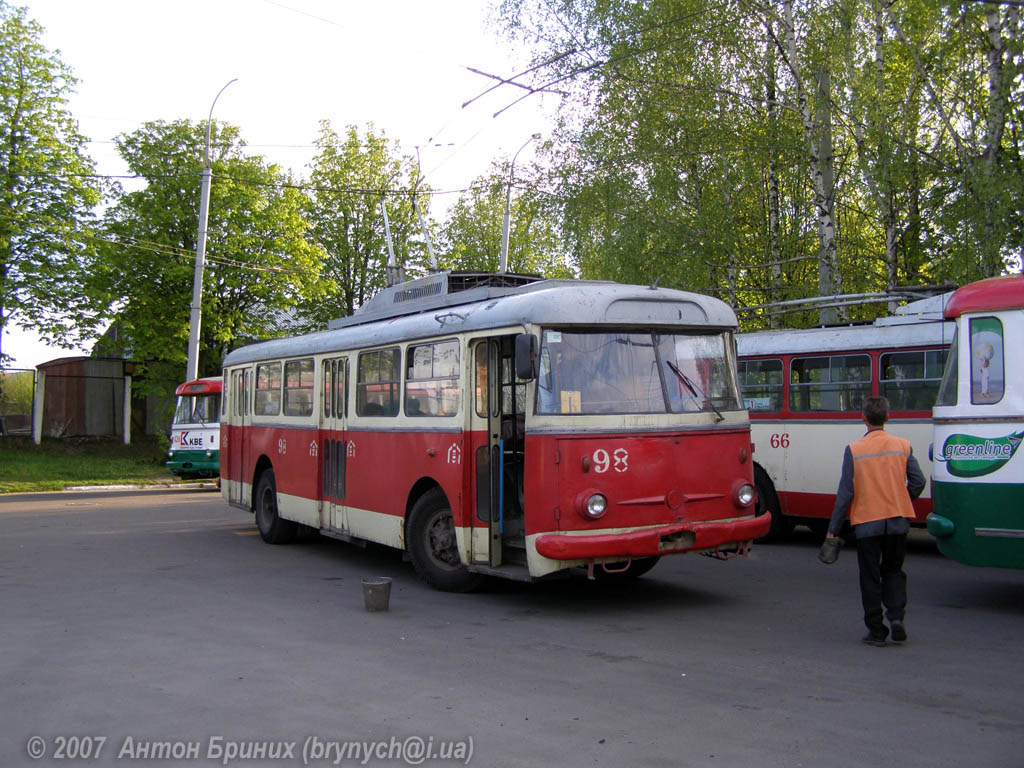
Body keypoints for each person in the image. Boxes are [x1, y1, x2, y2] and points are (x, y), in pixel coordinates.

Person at [826, 396, 926, 647]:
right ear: (887, 417)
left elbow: (846, 493)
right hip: (897, 521)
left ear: (864, 417)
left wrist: (833, 530)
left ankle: (876, 630)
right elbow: (918, 481)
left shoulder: (854, 449)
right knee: (893, 570)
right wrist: (903, 499)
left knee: (869, 577)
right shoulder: (902, 446)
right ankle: (896, 617)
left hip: (868, 523)